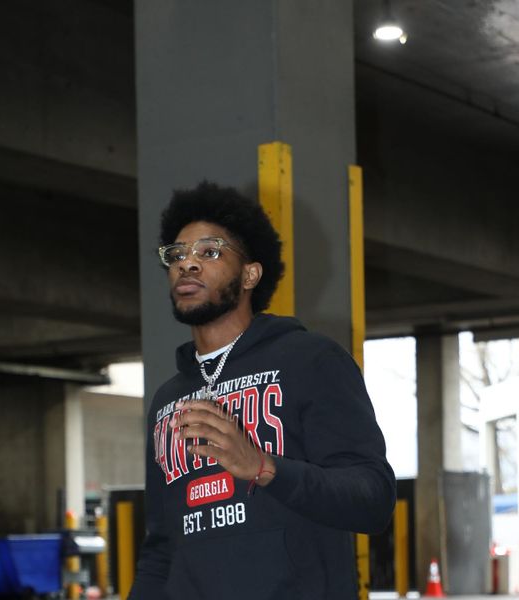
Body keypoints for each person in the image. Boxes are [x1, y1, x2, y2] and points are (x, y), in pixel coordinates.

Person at [128, 181, 396, 600]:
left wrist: (263, 467)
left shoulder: (310, 361)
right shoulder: (167, 401)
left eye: (210, 252)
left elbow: (373, 499)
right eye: (177, 255)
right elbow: (162, 550)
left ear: (251, 273)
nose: (188, 265)